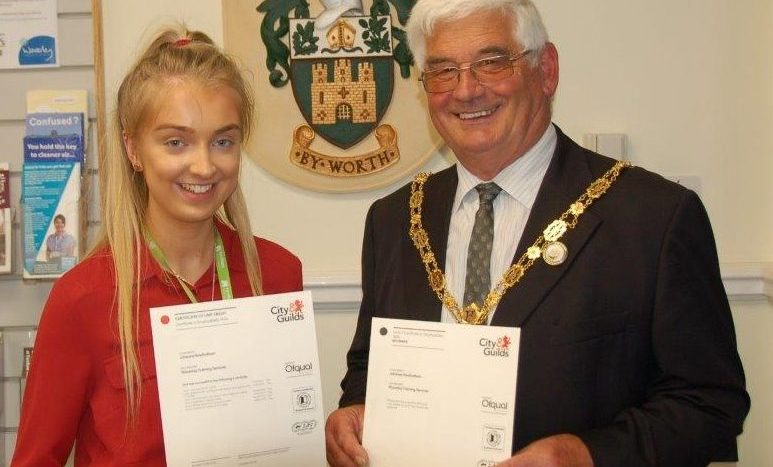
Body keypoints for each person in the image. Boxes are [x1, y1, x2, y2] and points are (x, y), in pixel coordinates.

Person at [325, 0, 749, 466]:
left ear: (546, 70)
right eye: (443, 70)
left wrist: (586, 455)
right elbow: (369, 369)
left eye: (491, 63)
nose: (465, 90)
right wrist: (352, 414)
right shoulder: (394, 220)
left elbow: (710, 406)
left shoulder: (653, 218)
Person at [12, 26, 302, 466]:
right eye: (175, 142)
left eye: (223, 141)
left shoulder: (278, 274)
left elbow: (292, 432)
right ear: (133, 148)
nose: (203, 165)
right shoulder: (84, 299)